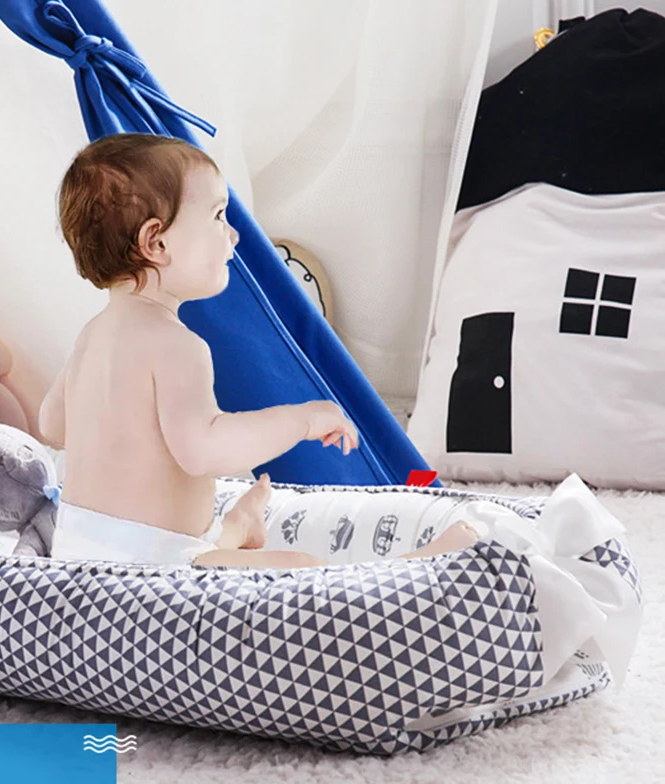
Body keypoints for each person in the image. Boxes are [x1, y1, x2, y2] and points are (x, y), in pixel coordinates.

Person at [39, 133, 484, 567]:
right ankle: (413, 568)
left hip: (77, 555)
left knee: (210, 553)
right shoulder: (177, 345)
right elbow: (204, 451)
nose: (233, 235)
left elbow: (52, 425)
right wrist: (301, 420)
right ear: (157, 243)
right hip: (153, 568)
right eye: (217, 215)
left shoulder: (91, 335)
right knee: (299, 566)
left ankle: (234, 531)